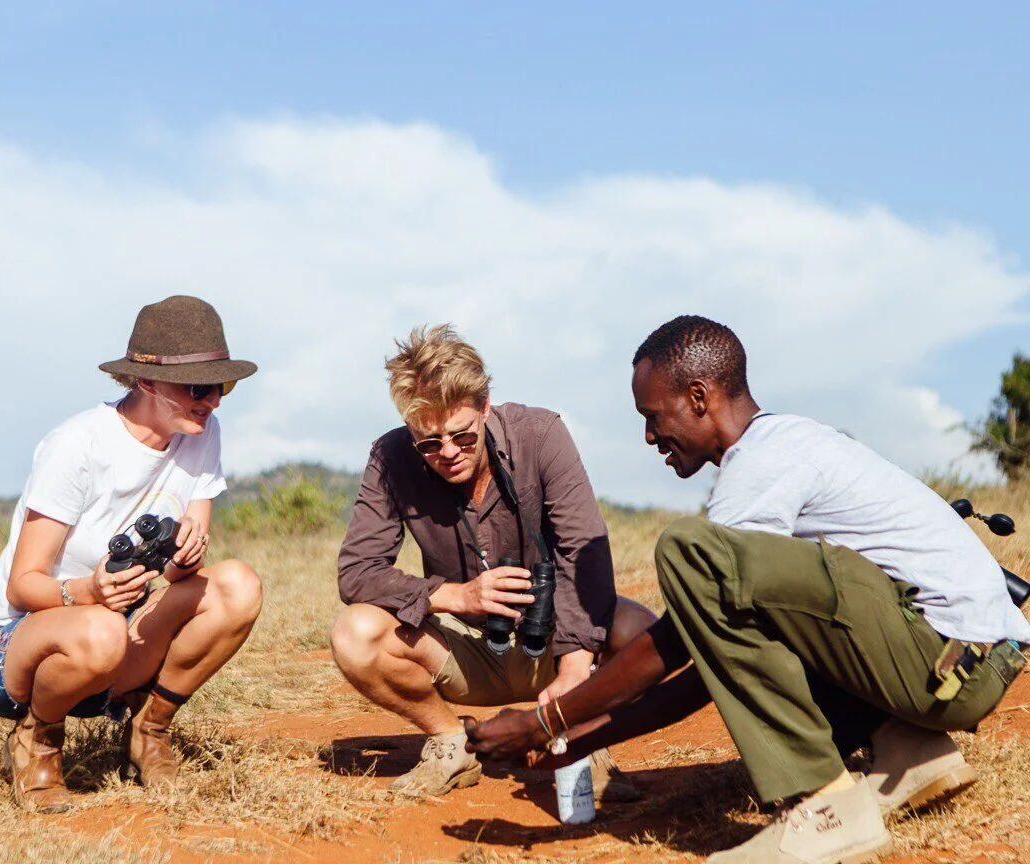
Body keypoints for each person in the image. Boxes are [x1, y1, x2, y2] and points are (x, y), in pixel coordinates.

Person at [469, 315, 1029, 864]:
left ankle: (824, 809)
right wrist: (577, 739)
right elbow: (724, 654)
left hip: (945, 668)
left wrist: (548, 723)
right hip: (960, 664)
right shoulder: (788, 441)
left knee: (689, 548)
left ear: (698, 397)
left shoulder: (761, 466)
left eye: (653, 416)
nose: (649, 436)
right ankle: (909, 751)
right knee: (764, 601)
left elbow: (686, 652)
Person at [0, 295, 264, 814]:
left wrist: (186, 553)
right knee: (101, 629)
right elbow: (22, 584)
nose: (213, 400)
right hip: (13, 645)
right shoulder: (77, 445)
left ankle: (149, 730)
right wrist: (90, 591)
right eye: (198, 387)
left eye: (222, 386)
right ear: (145, 382)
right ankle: (37, 739)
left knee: (238, 585)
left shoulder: (201, 432)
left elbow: (181, 571)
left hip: (114, 635)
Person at [330, 324, 657, 798]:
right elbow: (357, 572)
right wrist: (455, 596)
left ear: (485, 406)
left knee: (642, 635)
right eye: (428, 442)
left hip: (555, 640)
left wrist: (573, 675)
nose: (447, 453)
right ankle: (451, 742)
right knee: (354, 633)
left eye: (462, 436)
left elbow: (582, 550)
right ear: (409, 426)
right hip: (463, 649)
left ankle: (583, 738)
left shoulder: (540, 435)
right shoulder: (390, 456)